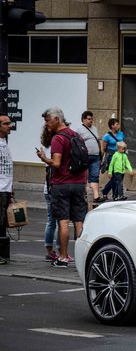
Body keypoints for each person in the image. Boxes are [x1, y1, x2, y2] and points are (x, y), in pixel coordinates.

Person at [36, 107, 87, 268]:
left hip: (62, 184)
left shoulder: (58, 138)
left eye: (47, 120)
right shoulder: (76, 135)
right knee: (79, 221)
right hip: (78, 183)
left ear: (57, 119)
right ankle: (81, 258)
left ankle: (63, 257)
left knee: (63, 221)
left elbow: (56, 163)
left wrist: (44, 158)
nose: (46, 124)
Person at [38, 125, 60, 262]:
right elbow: (52, 169)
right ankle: (58, 251)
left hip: (48, 189)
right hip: (53, 189)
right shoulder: (54, 147)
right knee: (58, 221)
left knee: (51, 221)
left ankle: (50, 250)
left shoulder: (47, 146)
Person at [73, 111, 102, 203]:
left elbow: (97, 140)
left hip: (95, 156)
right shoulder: (79, 129)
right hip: (84, 157)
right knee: (83, 176)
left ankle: (96, 196)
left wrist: (101, 152)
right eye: (89, 119)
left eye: (92, 119)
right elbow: (76, 143)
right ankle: (82, 195)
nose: (91, 121)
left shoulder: (94, 129)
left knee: (95, 176)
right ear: (83, 119)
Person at [100, 118, 125, 201]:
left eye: (118, 124)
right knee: (115, 177)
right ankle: (115, 195)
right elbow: (103, 148)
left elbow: (123, 144)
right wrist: (102, 160)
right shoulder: (106, 136)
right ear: (112, 126)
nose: (118, 125)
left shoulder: (121, 134)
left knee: (118, 177)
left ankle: (105, 191)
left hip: (120, 157)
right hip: (111, 157)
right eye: (116, 124)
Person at [0, 113, 14, 265]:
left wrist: (11, 187)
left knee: (2, 222)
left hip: (5, 188)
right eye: (6, 123)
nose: (10, 126)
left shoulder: (5, 140)